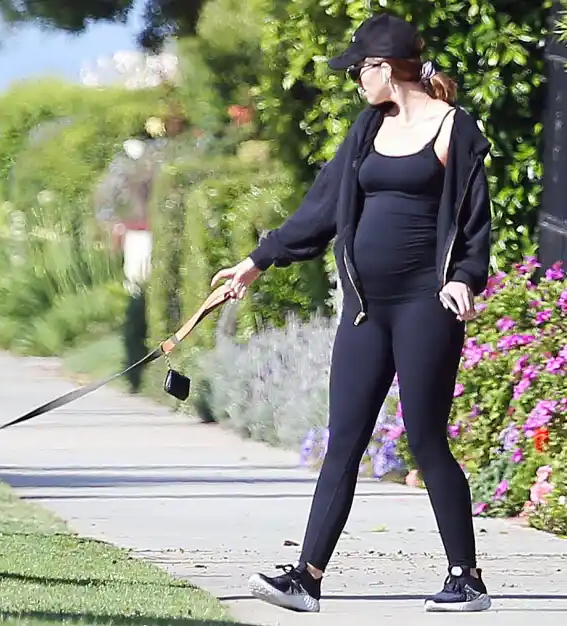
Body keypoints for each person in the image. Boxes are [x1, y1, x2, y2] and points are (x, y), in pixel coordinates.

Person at [210, 12, 494, 615]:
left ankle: (466, 577)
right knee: (343, 442)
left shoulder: (455, 129)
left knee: (426, 438)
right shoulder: (368, 129)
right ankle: (306, 578)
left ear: (384, 68)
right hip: (367, 310)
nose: (354, 82)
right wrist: (256, 262)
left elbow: (474, 222)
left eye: (358, 70)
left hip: (426, 305)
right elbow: (320, 210)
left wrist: (466, 280)